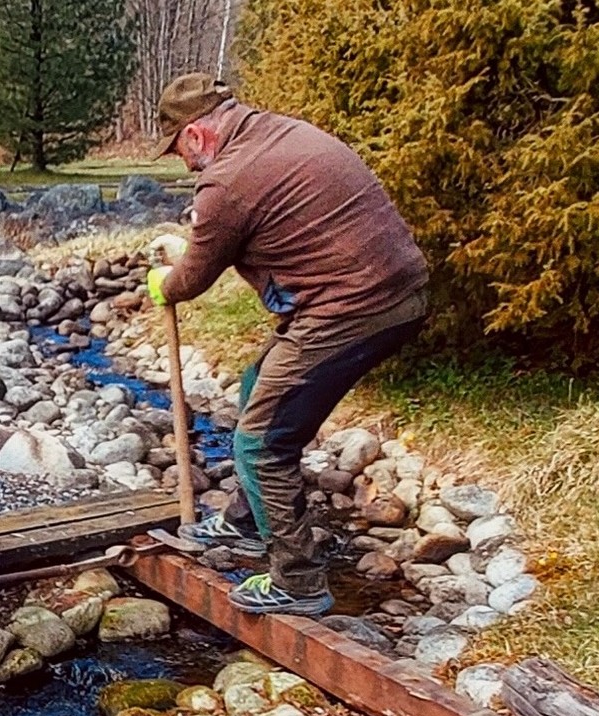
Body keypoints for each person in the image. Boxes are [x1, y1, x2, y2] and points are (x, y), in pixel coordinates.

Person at [145, 73, 429, 617]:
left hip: (353, 308)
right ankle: (247, 522)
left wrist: (165, 282)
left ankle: (298, 581)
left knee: (260, 442)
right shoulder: (278, 133)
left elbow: (192, 279)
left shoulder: (226, 179)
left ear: (198, 135)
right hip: (392, 294)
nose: (183, 164)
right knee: (257, 387)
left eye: (178, 147)